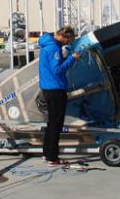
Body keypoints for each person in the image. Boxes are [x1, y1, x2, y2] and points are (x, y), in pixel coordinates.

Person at [38, 26, 81, 166]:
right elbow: (57, 70)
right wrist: (72, 59)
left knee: (51, 123)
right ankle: (52, 157)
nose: (68, 44)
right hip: (55, 89)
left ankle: (47, 153)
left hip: (48, 88)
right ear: (64, 36)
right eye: (69, 41)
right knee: (56, 124)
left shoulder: (47, 44)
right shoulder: (54, 49)